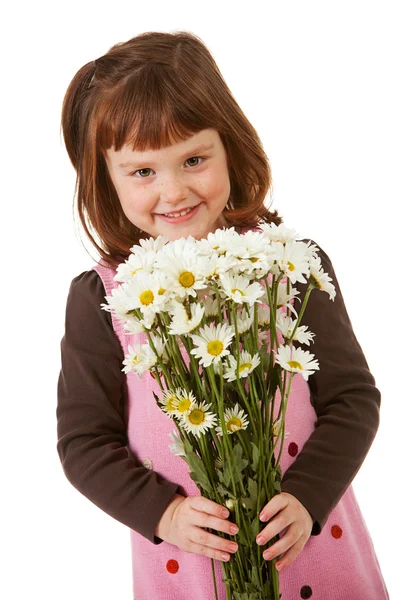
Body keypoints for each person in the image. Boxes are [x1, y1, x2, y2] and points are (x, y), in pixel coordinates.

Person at [56, 30, 389, 599]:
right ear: (106, 183)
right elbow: (84, 441)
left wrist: (309, 496)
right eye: (143, 172)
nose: (174, 190)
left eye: (194, 158)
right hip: (191, 570)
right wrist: (164, 516)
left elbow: (353, 397)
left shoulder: (291, 266)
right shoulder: (105, 300)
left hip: (317, 551)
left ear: (230, 147)